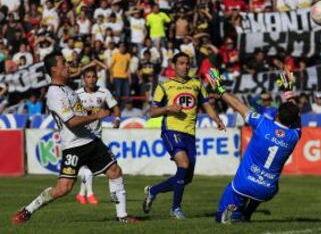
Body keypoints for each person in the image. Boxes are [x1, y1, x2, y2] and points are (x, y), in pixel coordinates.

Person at [12, 52, 138, 224]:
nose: (67, 65)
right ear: (54, 69)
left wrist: (91, 113)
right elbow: (71, 122)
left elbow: (79, 113)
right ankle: (28, 210)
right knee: (63, 189)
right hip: (74, 146)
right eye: (63, 63)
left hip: (91, 140)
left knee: (115, 171)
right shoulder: (55, 93)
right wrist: (97, 115)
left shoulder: (68, 89)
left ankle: (122, 216)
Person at [206, 68, 301, 224]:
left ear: (277, 114)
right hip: (267, 190)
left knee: (223, 211)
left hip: (245, 183)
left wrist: (219, 88)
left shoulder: (262, 123)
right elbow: (296, 117)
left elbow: (237, 104)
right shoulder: (294, 136)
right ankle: (246, 214)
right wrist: (289, 93)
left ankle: (231, 214)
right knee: (267, 183)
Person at [142, 52, 226, 219]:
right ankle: (175, 208)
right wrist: (167, 109)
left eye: (187, 63)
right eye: (181, 63)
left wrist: (217, 119)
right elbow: (152, 112)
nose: (185, 66)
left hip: (190, 134)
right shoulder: (164, 86)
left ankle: (153, 191)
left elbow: (206, 105)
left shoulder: (196, 84)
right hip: (171, 131)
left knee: (186, 178)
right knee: (184, 163)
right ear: (174, 65)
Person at [75, 68, 121, 205]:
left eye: (93, 76)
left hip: (96, 134)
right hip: (80, 134)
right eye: (88, 77)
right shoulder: (76, 94)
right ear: (83, 79)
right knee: (87, 166)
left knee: (87, 167)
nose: (91, 79)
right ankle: (89, 194)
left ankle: (82, 194)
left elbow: (115, 107)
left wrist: (117, 119)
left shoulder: (104, 92)